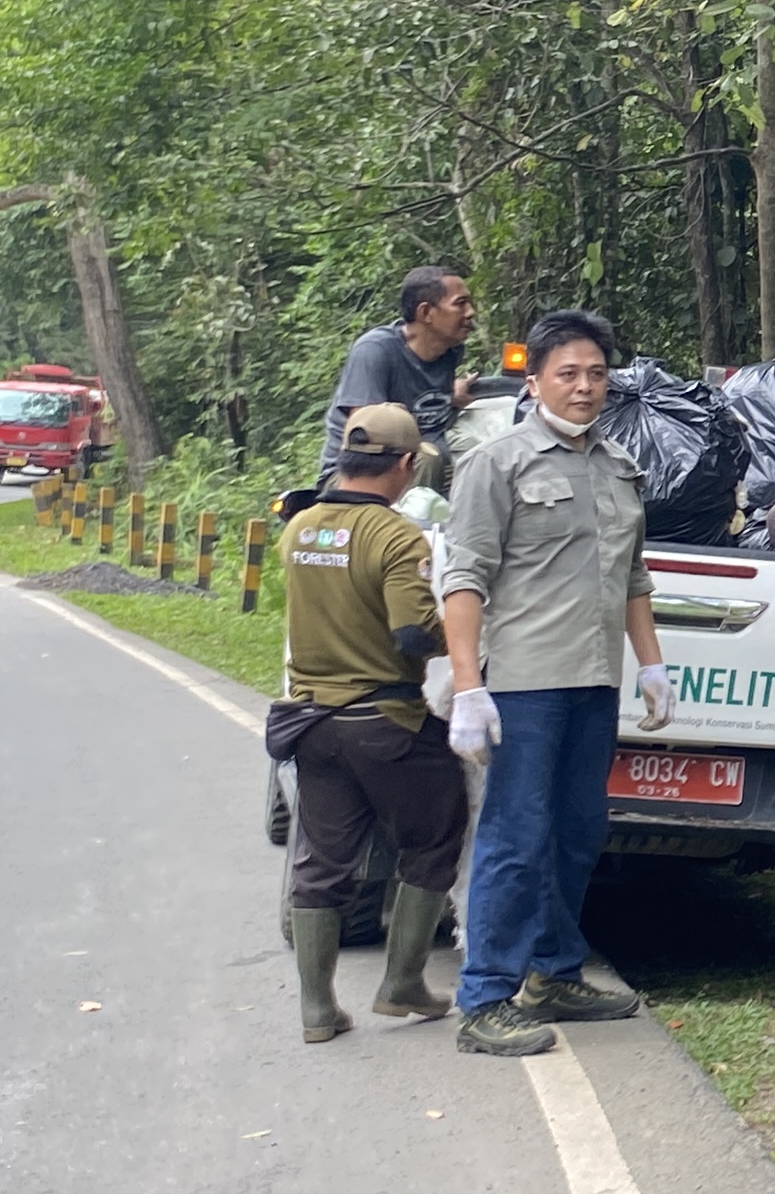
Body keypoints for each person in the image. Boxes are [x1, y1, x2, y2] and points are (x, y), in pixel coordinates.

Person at [435, 309, 676, 1057]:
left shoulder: (617, 466)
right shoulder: (498, 464)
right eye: (567, 374)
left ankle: (554, 974)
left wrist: (654, 664)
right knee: (515, 837)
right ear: (534, 380)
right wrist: (470, 688)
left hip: (595, 680)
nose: (584, 387)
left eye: (596, 374)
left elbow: (633, 576)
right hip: (525, 685)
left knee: (577, 834)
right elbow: (464, 577)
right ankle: (483, 999)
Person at [270, 403, 467, 1043]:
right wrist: (463, 630)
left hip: (311, 723)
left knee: (322, 860)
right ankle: (402, 982)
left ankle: (317, 1010)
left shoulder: (299, 528)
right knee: (435, 836)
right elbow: (411, 633)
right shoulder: (396, 537)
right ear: (406, 466)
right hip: (384, 720)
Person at [319, 267, 476, 480]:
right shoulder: (376, 351)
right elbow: (364, 435)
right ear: (426, 313)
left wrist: (451, 394)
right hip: (362, 478)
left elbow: (421, 396)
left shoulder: (451, 350)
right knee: (429, 458)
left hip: (430, 459)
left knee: (488, 450)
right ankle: (415, 514)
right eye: (460, 304)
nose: (470, 312)